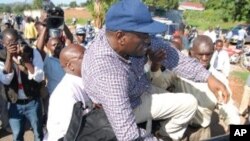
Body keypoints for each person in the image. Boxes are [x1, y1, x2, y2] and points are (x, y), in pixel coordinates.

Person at [81, 0, 229, 140]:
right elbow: (128, 135)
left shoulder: (116, 35)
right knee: (187, 104)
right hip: (126, 105)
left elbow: (171, 55)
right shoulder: (107, 72)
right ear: (121, 37)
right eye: (143, 35)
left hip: (138, 89)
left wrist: (208, 77)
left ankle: (164, 134)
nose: (149, 40)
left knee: (189, 104)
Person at [0, 28, 44, 141]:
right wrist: (10, 56)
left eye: (16, 41)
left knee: (38, 134)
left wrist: (25, 59)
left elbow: (39, 77)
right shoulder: (1, 57)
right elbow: (5, 80)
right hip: (14, 104)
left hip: (33, 101)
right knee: (17, 135)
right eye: (10, 43)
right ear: (3, 43)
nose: (14, 45)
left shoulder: (32, 52)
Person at [45, 44, 90, 141]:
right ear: (70, 66)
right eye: (83, 57)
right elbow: (70, 133)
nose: (90, 59)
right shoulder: (65, 94)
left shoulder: (83, 83)